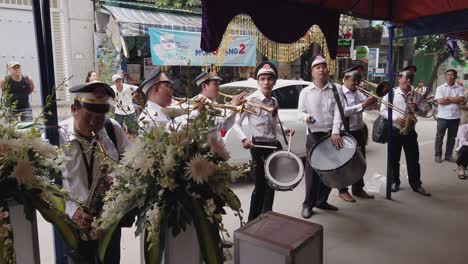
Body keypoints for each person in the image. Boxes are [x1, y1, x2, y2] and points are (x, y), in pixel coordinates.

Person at [59, 81, 130, 263]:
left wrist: (115, 178)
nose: (93, 124)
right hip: (76, 224)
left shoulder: (111, 128)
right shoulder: (57, 137)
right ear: (74, 109)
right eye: (88, 116)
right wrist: (71, 211)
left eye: (99, 118)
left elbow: (131, 162)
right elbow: (47, 184)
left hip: (108, 223)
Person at [232, 61, 294, 221]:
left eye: (270, 79)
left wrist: (285, 130)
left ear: (274, 81)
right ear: (258, 81)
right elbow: (236, 124)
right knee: (259, 187)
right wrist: (244, 139)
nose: (266, 82)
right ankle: (251, 221)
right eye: (263, 79)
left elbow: (275, 123)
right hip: (257, 146)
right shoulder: (251, 100)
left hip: (272, 146)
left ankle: (267, 216)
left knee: (272, 185)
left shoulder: (274, 101)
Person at [297, 54, 343, 219]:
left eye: (323, 66)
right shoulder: (306, 92)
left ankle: (321, 200)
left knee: (333, 170)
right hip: (314, 136)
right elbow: (300, 113)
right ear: (312, 72)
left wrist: (336, 131)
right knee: (313, 172)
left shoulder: (336, 89)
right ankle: (308, 204)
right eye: (317, 67)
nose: (321, 70)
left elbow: (339, 111)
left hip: (332, 135)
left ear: (328, 69)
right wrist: (306, 118)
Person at [380, 65, 430, 196]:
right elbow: (383, 111)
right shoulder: (390, 93)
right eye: (407, 77)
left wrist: (417, 109)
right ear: (399, 79)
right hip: (395, 131)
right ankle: (394, 182)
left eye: (411, 78)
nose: (409, 80)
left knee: (413, 159)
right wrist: (395, 118)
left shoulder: (417, 95)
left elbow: (425, 112)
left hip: (410, 131)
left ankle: (416, 184)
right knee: (393, 159)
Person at [336, 65, 376, 202]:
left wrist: (371, 102)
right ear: (345, 79)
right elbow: (344, 112)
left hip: (359, 130)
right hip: (345, 132)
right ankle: (342, 190)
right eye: (354, 80)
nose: (357, 83)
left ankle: (358, 188)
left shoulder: (358, 93)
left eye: (358, 80)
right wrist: (363, 105)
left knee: (360, 161)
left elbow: (368, 108)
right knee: (345, 163)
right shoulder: (340, 93)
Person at [191, 68, 246, 132]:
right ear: (204, 86)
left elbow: (227, 125)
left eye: (218, 84)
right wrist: (233, 107)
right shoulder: (200, 104)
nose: (218, 88)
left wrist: (236, 109)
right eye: (215, 84)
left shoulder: (213, 102)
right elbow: (221, 126)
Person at [434, 69, 465, 163]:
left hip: (455, 117)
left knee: (452, 138)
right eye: (448, 75)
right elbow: (440, 101)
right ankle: (438, 155)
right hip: (442, 117)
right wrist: (455, 99)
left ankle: (448, 155)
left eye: (452, 75)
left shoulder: (459, 88)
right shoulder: (440, 88)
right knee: (439, 137)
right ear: (446, 76)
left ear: (455, 76)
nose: (450, 76)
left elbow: (462, 99)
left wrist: (448, 98)